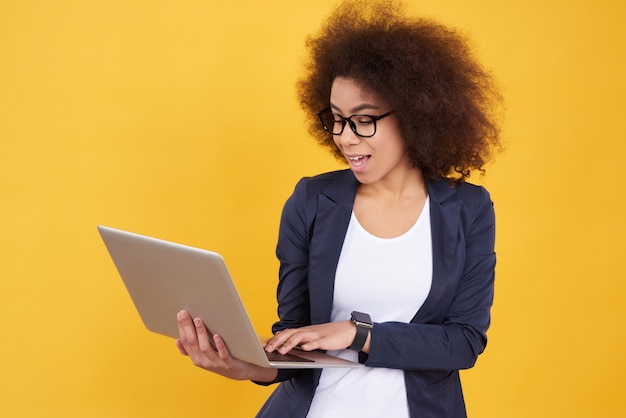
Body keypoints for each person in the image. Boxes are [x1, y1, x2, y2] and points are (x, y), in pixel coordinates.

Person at [176, 0, 502, 416]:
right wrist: (246, 367)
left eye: (363, 120)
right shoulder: (312, 201)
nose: (345, 138)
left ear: (417, 115)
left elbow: (463, 342)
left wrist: (356, 333)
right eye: (335, 119)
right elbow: (292, 339)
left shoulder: (467, 209)